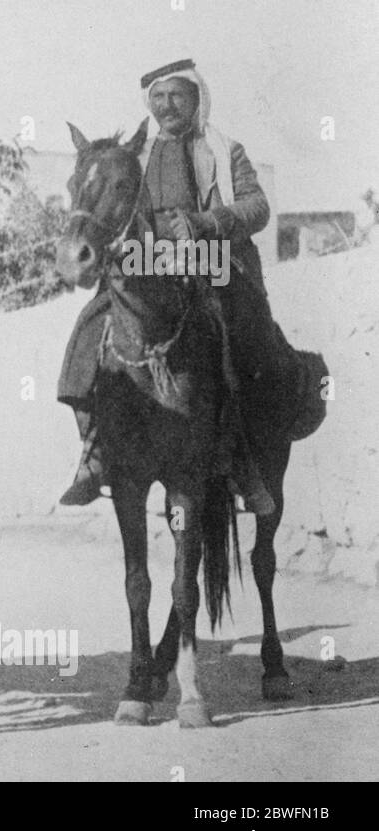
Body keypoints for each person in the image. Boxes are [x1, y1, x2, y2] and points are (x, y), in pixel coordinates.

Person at [57, 59, 294, 514]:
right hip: (146, 266)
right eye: (158, 98)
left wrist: (207, 222)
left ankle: (242, 457)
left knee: (236, 334)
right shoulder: (133, 158)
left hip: (213, 261)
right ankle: (94, 448)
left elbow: (258, 207)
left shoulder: (223, 150)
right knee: (89, 328)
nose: (167, 106)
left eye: (177, 96)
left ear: (196, 98)